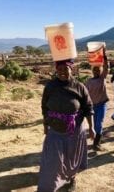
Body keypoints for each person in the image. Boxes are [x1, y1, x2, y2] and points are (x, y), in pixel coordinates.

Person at [38, 59, 95, 192]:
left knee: (71, 158)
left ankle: (71, 179)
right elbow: (44, 107)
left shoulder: (79, 87)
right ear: (56, 70)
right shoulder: (50, 86)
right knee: (52, 160)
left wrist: (91, 128)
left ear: (72, 69)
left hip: (74, 131)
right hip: (55, 130)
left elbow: (88, 107)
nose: (63, 72)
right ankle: (48, 187)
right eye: (60, 69)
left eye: (66, 69)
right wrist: (45, 125)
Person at [85, 48, 109, 151]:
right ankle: (96, 142)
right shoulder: (89, 81)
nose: (96, 71)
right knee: (95, 125)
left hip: (102, 105)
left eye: (98, 70)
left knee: (99, 124)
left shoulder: (102, 78)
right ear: (92, 71)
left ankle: (96, 144)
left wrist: (104, 55)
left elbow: (106, 67)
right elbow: (85, 94)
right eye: (94, 70)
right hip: (93, 106)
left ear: (100, 71)